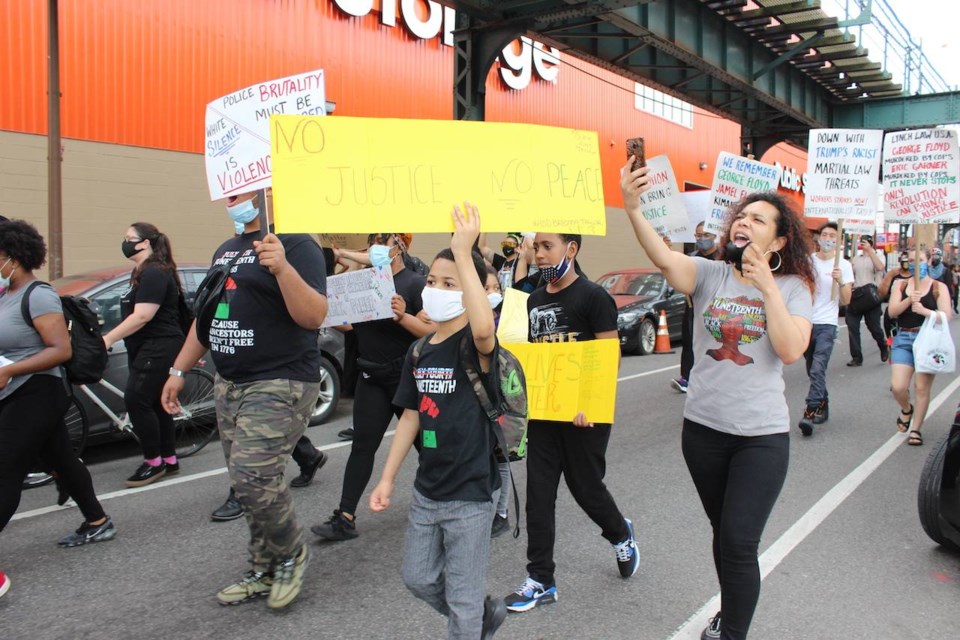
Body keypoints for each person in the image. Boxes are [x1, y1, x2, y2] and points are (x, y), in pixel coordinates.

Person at [622, 161, 814, 640]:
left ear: (780, 239)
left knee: (738, 540)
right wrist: (631, 207)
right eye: (741, 217)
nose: (744, 223)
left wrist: (766, 285)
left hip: (761, 438)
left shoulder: (793, 288)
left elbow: (791, 350)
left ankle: (732, 633)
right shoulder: (710, 274)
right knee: (723, 532)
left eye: (758, 219)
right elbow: (666, 260)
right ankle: (730, 611)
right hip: (703, 432)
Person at [161, 190, 328, 609]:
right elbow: (206, 318)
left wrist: (283, 268)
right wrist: (179, 371)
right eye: (228, 192)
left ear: (267, 190)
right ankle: (263, 567)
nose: (231, 198)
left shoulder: (296, 244)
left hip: (280, 381)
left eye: (240, 190)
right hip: (229, 383)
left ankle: (290, 554)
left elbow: (314, 316)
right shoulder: (226, 250)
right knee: (247, 483)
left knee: (254, 477)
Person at [369, 203, 506, 640]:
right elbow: (410, 415)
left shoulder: (475, 345)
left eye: (450, 284)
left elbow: (484, 328)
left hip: (471, 495)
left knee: (463, 599)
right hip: (428, 491)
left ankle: (469, 622)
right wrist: (387, 478)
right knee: (419, 578)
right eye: (431, 281)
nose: (435, 289)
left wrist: (463, 253)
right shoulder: (419, 350)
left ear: (469, 289)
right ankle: (476, 619)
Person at [504, 230, 640, 614]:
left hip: (585, 416)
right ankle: (541, 579)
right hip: (546, 415)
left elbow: (609, 356)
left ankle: (620, 533)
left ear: (572, 249)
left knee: (586, 488)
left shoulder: (593, 296)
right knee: (539, 497)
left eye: (548, 247)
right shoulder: (531, 301)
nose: (540, 255)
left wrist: (588, 402)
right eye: (537, 247)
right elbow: (532, 361)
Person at [0, 219, 118, 562]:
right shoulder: (6, 294)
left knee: (5, 468)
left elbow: (60, 350)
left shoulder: (39, 295)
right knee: (61, 459)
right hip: (16, 391)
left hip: (37, 391)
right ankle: (97, 521)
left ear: (13, 257)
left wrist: (10, 370)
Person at [312, 233, 433, 542]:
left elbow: (430, 330)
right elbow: (349, 324)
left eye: (385, 238)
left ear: (401, 244)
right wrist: (332, 307)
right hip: (372, 377)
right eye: (374, 239)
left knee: (429, 449)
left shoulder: (416, 283)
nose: (377, 245)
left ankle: (450, 506)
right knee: (363, 447)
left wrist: (403, 315)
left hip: (406, 380)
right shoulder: (366, 280)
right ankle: (345, 517)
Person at [99, 223, 186, 486]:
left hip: (158, 346)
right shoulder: (142, 272)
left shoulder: (155, 273)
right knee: (157, 402)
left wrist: (109, 338)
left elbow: (143, 315)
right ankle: (169, 460)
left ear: (145, 243)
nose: (125, 243)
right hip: (148, 346)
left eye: (129, 238)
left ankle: (153, 462)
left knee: (136, 400)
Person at [887, 249, 952, 447]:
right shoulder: (900, 284)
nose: (917, 264)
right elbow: (892, 312)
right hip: (904, 338)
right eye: (913, 260)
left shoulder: (938, 287)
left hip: (928, 340)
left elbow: (946, 315)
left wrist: (925, 311)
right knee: (898, 386)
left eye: (921, 260)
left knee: (921, 387)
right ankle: (906, 409)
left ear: (929, 262)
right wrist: (909, 299)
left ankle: (915, 429)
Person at [798, 222, 852, 436]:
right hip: (805, 321)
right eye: (825, 234)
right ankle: (823, 403)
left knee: (818, 367)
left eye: (833, 236)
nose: (828, 238)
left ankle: (810, 412)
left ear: (838, 242)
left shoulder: (844, 266)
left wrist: (840, 282)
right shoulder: (808, 262)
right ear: (818, 238)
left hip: (827, 323)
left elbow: (847, 300)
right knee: (812, 368)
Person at [673, 221, 718, 393]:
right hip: (693, 307)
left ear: (715, 236)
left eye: (706, 235)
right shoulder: (691, 257)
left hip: (715, 308)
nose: (702, 239)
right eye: (698, 236)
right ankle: (687, 377)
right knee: (689, 341)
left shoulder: (723, 258)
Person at [483, 265, 511, 538]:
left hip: (500, 398)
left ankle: (501, 513)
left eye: (496, 289)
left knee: (500, 457)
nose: (493, 294)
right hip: (476, 399)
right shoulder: (467, 319)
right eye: (486, 289)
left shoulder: (507, 319)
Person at [844, 235, 888, 367]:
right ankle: (857, 357)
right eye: (862, 242)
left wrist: (871, 252)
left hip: (871, 296)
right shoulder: (856, 259)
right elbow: (850, 276)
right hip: (856, 295)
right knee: (852, 325)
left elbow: (880, 268)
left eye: (867, 242)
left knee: (874, 327)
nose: (864, 244)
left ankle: (883, 345)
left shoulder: (878, 256)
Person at [880, 251, 912, 344]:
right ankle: (890, 345)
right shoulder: (894, 274)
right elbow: (882, 293)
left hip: (911, 310)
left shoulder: (917, 275)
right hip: (894, 308)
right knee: (891, 332)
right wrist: (888, 277)